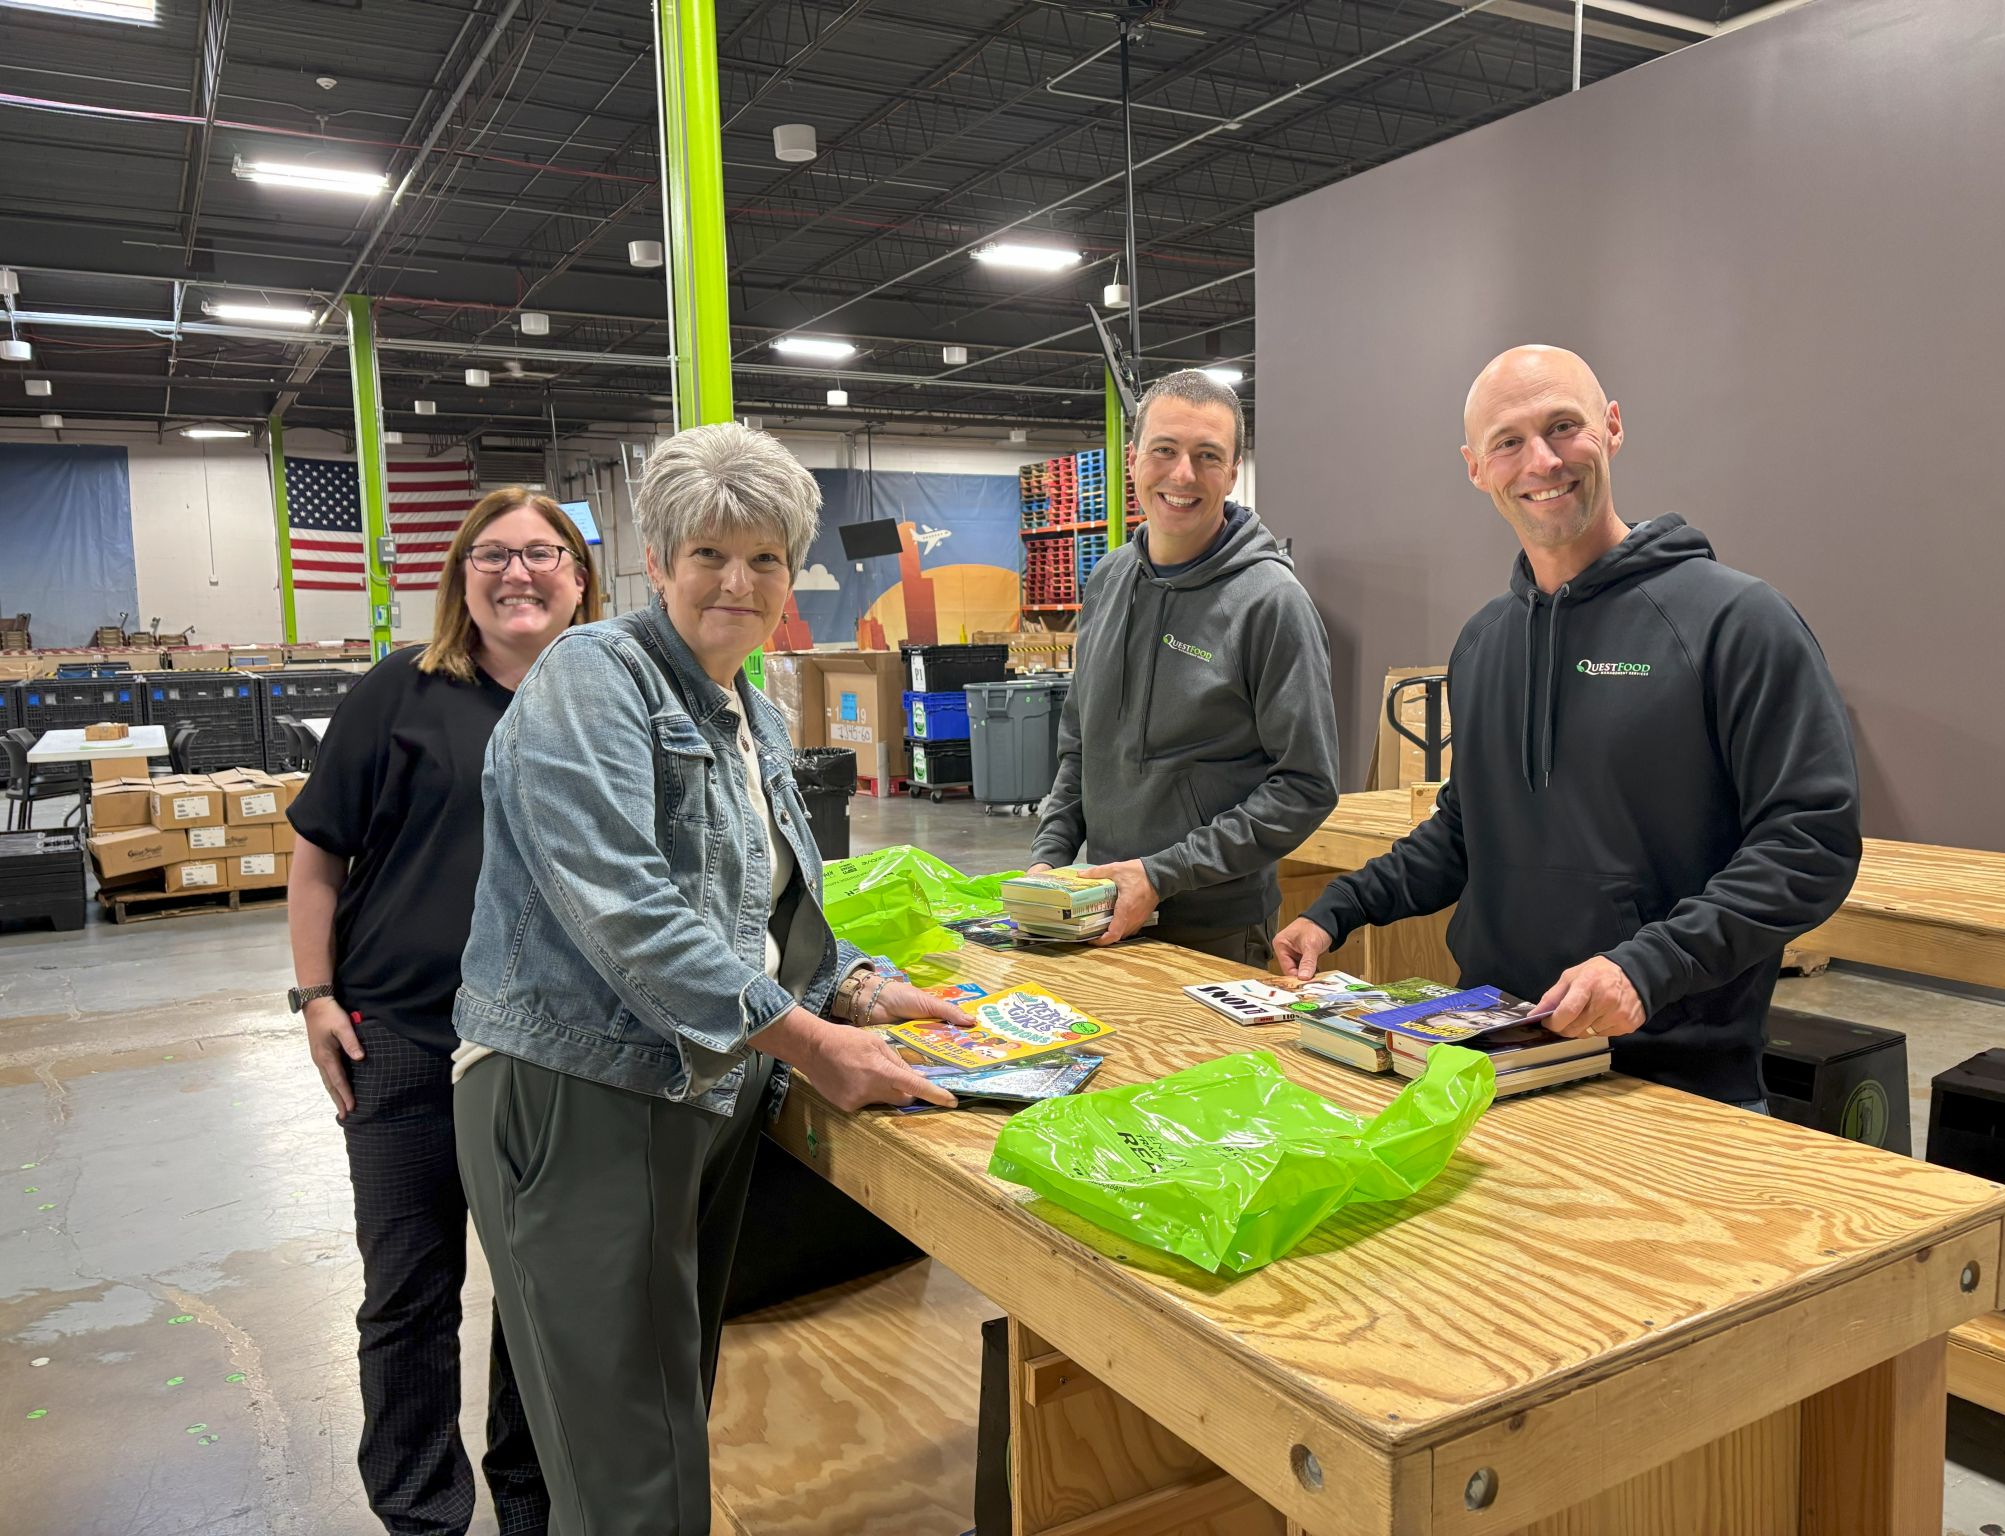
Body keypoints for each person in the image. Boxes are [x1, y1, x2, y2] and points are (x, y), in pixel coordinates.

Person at [449, 421, 963, 1536]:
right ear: (657, 564)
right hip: (584, 1089)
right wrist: (812, 1042)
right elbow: (620, 906)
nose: (738, 581)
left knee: (667, 1414)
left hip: (703, 1087)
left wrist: (858, 991)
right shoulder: (596, 676)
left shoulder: (749, 709)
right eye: (709, 556)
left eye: (765, 558)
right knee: (629, 1466)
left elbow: (764, 912)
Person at [1275, 345, 1861, 1106]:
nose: (1542, 462)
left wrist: (1646, 967)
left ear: (1612, 428)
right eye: (1508, 441)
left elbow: (1809, 840)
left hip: (1673, 1083)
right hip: (1491, 1051)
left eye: (1564, 427)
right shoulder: (1486, 640)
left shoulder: (1735, 621)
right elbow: (1466, 828)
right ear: (1475, 467)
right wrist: (1336, 912)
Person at [286, 486, 602, 1535]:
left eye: (543, 552)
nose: (519, 573)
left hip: (551, 1052)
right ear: (460, 576)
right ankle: (423, 1513)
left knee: (538, 1297)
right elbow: (319, 853)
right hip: (406, 1041)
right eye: (493, 554)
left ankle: (531, 1502)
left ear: (579, 576)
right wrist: (316, 995)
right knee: (410, 1294)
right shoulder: (399, 695)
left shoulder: (604, 702)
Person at [1029, 368, 1339, 965]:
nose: (1182, 475)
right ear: (1132, 459)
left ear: (1232, 470)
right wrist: (1050, 859)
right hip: (1098, 911)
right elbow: (1080, 746)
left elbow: (1306, 784)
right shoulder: (1107, 581)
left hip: (1213, 932)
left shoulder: (1271, 603)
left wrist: (1163, 874)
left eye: (1207, 456)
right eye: (1165, 451)